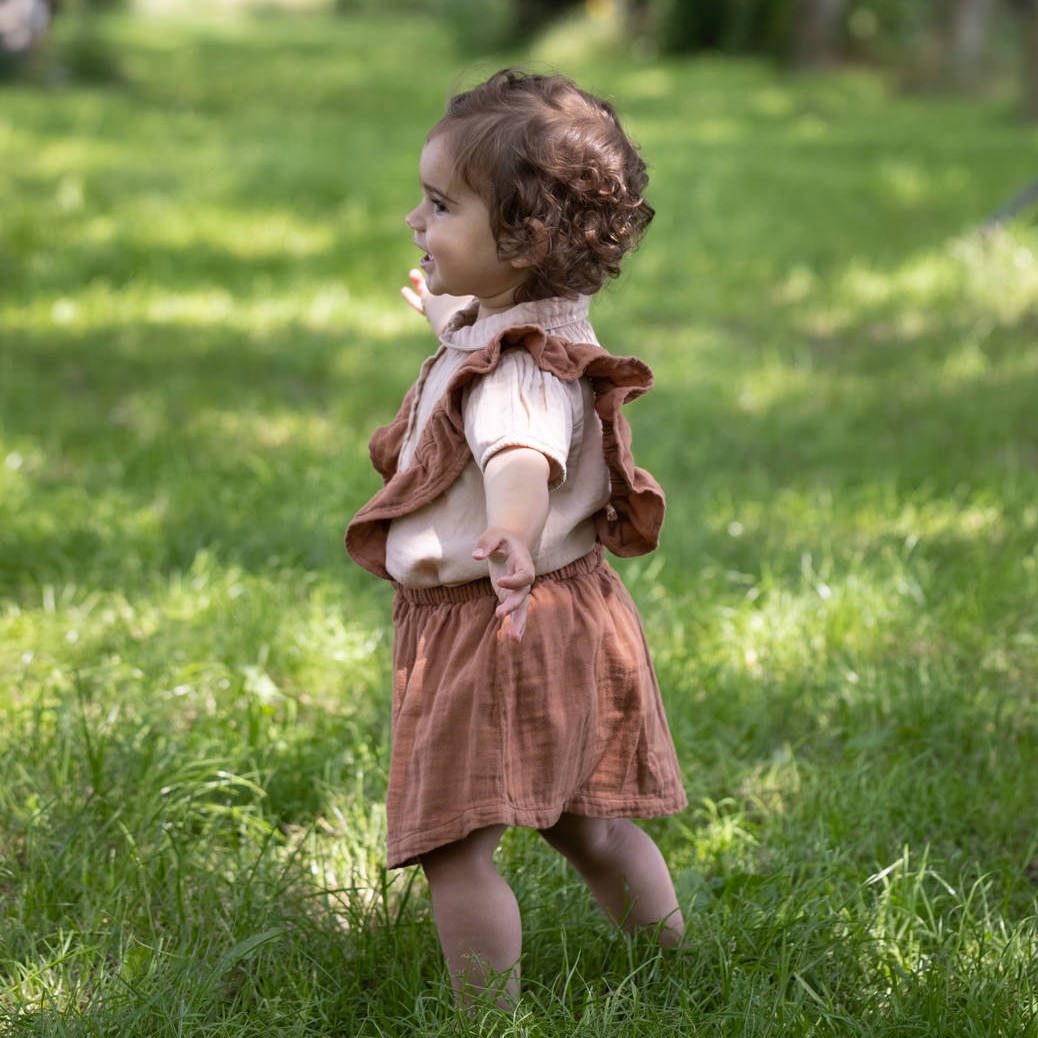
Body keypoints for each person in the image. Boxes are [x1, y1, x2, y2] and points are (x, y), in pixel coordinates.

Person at [346, 68, 688, 1009]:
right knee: (590, 826)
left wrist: (508, 531)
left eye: (440, 204)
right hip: (570, 614)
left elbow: (521, 456)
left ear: (524, 241)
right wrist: (441, 312)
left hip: (493, 622)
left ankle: (481, 1022)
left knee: (454, 847)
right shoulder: (522, 320)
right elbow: (477, 337)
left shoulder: (517, 382)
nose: (418, 221)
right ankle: (671, 962)